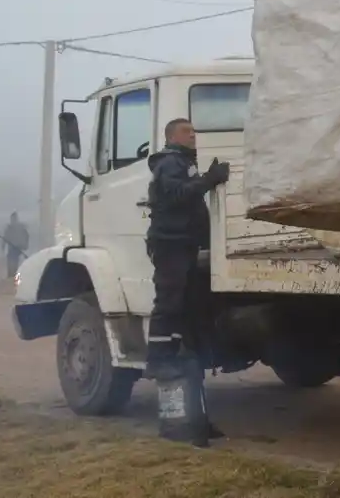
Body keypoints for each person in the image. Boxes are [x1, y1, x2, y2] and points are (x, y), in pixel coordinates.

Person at [145, 117, 229, 445]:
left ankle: (187, 351)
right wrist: (209, 180)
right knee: (169, 298)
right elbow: (178, 194)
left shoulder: (185, 162)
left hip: (186, 242)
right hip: (170, 242)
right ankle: (159, 358)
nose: (193, 134)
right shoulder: (169, 163)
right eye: (186, 131)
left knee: (186, 303)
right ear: (171, 137)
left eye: (194, 131)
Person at [2, 212, 29, 281]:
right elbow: (5, 238)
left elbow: (26, 236)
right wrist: (3, 246)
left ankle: (14, 276)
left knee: (14, 262)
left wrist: (25, 245)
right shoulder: (9, 228)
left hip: (17, 248)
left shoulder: (21, 228)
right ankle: (11, 276)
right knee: (11, 261)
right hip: (12, 248)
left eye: (14, 218)